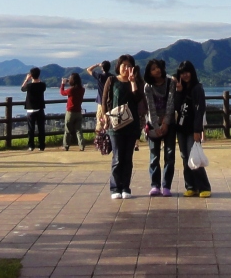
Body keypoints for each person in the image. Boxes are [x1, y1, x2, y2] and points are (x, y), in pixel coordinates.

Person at [97, 54, 144, 199]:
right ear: (119, 66)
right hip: (114, 124)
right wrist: (104, 116)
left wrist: (133, 82)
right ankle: (115, 188)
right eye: (124, 65)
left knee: (128, 158)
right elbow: (104, 100)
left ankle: (125, 187)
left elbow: (138, 99)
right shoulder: (112, 80)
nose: (126, 68)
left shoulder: (136, 81)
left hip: (131, 124)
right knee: (117, 157)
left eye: (130, 66)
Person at [174, 60, 211, 197]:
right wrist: (178, 92)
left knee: (194, 156)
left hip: (192, 129)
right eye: (182, 73)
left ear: (192, 72)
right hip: (181, 128)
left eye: (187, 72)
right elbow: (177, 107)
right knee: (185, 158)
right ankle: (191, 186)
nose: (185, 75)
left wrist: (197, 131)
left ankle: (204, 187)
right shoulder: (180, 88)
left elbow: (200, 111)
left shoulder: (197, 88)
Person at [142, 59, 176, 196]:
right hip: (153, 123)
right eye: (153, 69)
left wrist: (166, 123)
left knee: (169, 155)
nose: (156, 70)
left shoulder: (170, 83)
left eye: (158, 67)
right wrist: (156, 125)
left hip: (169, 123)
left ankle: (166, 185)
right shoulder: (148, 87)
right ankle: (155, 185)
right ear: (149, 72)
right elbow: (150, 108)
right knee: (154, 156)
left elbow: (170, 103)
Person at [21, 67, 48, 151]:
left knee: (31, 129)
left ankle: (31, 146)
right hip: (40, 109)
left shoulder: (29, 86)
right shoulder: (43, 85)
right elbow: (40, 84)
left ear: (31, 76)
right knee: (41, 129)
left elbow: (22, 88)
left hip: (30, 110)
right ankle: (41, 146)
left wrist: (26, 79)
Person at [60, 72, 86, 150]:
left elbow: (62, 92)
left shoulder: (71, 90)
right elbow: (76, 86)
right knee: (78, 130)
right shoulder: (82, 89)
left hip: (70, 112)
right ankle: (82, 145)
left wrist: (63, 84)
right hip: (78, 111)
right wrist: (69, 81)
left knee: (67, 130)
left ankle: (66, 146)